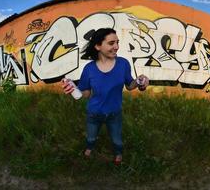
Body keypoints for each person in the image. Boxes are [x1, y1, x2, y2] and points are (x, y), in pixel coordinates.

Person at [61, 28, 149, 165]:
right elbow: (86, 93)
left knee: (117, 139)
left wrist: (139, 81)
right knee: (91, 137)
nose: (116, 47)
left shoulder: (123, 64)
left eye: (117, 42)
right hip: (94, 113)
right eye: (111, 43)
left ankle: (118, 154)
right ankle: (89, 148)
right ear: (98, 46)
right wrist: (74, 90)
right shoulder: (89, 69)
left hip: (115, 113)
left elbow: (130, 85)